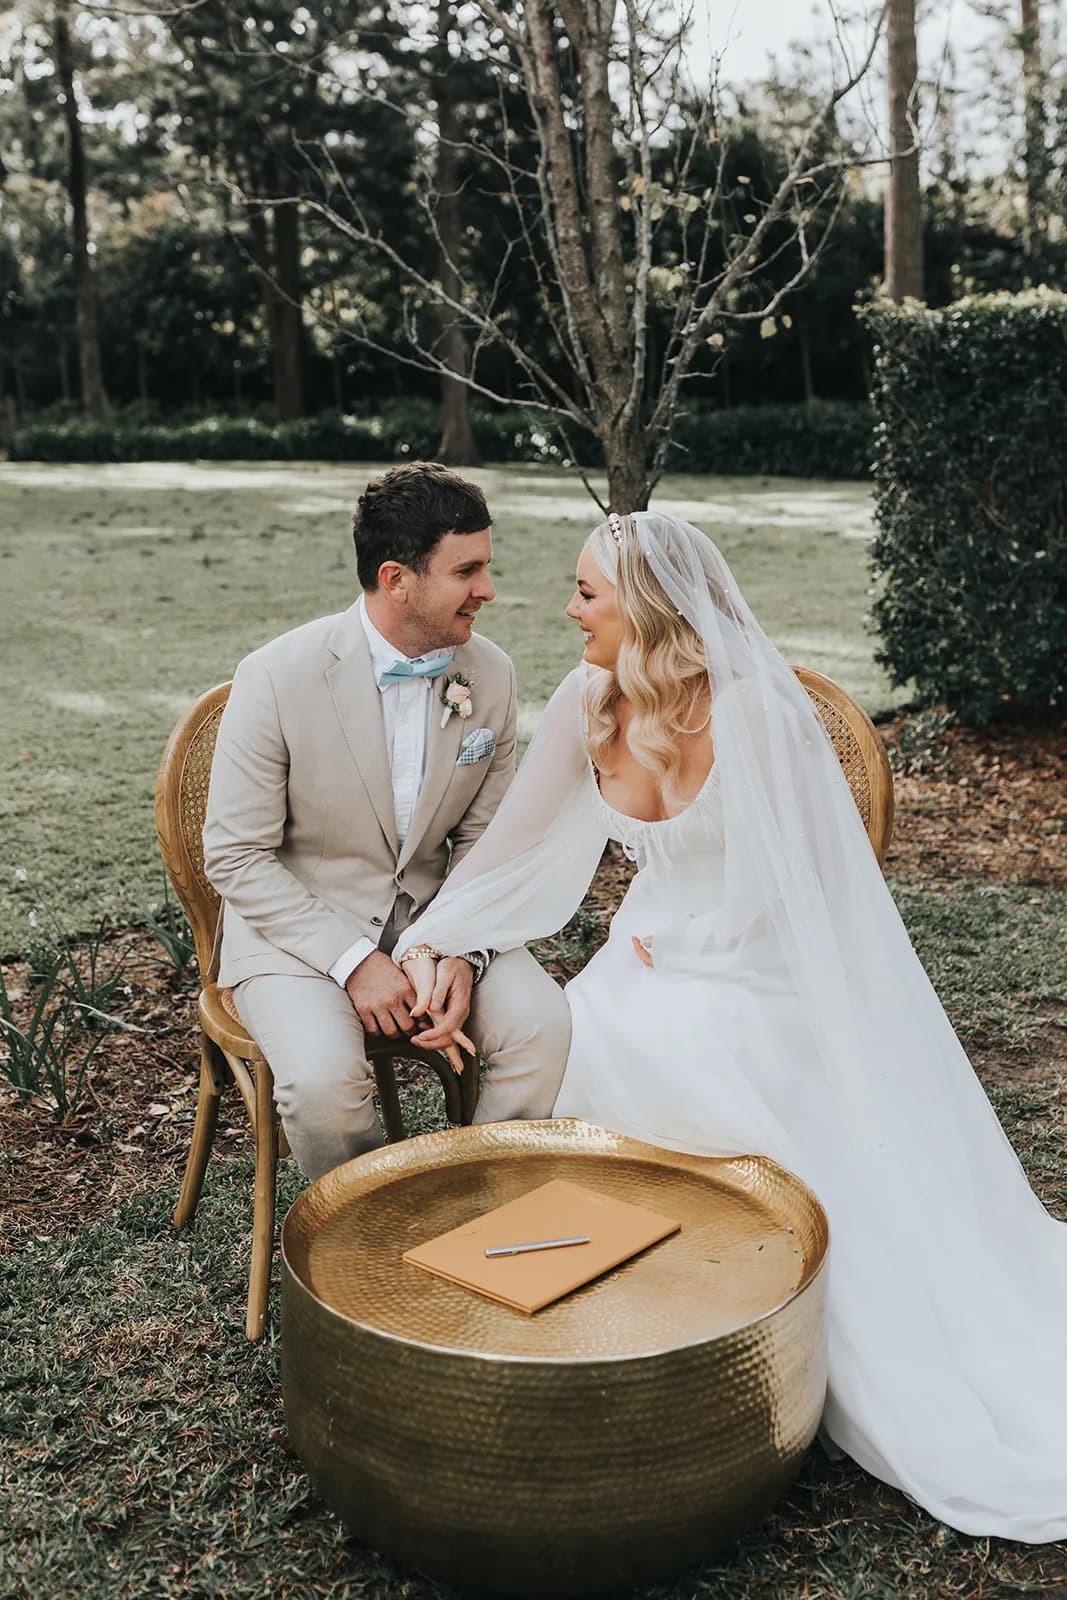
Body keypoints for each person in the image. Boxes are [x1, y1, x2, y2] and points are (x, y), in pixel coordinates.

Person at [394, 509, 1067, 1542]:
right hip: (648, 962)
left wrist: (686, 949)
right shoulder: (587, 699)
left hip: (764, 978)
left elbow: (799, 896)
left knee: (693, 1056)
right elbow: (512, 847)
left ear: (646, 612)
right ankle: (627, 1322)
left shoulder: (749, 713)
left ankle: (748, 1321)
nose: (566, 609)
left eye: (586, 593)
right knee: (596, 1033)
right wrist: (436, 940)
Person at [202, 461, 570, 1181]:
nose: (487, 590)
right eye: (467, 570)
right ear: (398, 579)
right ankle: (375, 1242)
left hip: (444, 918)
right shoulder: (275, 676)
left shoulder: (488, 675)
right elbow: (237, 855)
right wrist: (354, 961)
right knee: (323, 1087)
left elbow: (485, 842)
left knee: (544, 1027)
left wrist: (458, 951)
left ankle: (479, 1203)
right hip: (301, 936)